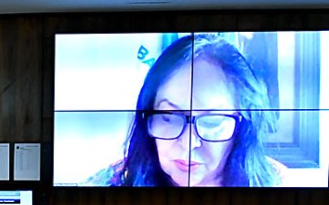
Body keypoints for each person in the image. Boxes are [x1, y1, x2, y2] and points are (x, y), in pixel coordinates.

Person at [84, 34, 284, 187]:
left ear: (243, 125)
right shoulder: (110, 184)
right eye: (169, 118)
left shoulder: (278, 186)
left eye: (212, 122)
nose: (188, 144)